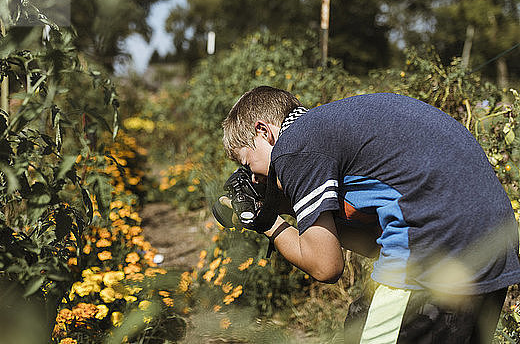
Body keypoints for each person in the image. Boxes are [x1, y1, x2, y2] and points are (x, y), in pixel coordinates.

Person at [220, 85, 520, 344]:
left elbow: (326, 267)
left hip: (434, 254)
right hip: (493, 250)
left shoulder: (293, 147)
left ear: (264, 131)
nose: (254, 179)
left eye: (248, 164)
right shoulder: (336, 129)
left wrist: (268, 222)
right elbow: (376, 245)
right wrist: (291, 207)